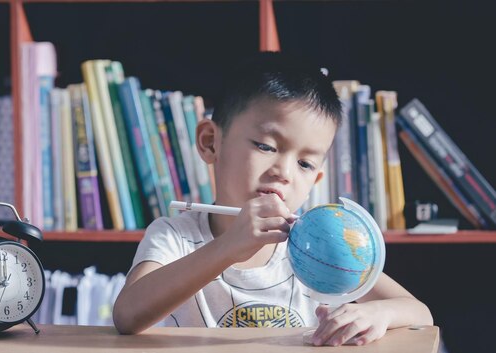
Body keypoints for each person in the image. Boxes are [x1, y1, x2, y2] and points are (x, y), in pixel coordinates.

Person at [112, 52, 433, 346]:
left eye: (305, 164)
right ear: (211, 142)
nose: (284, 172)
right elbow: (127, 316)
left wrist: (377, 315)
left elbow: (419, 313)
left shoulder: (319, 243)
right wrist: (228, 247)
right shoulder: (175, 236)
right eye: (266, 146)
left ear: (316, 180)